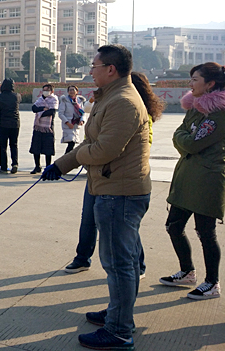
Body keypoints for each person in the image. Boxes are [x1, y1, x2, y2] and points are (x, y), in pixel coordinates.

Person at [42, 44, 150, 350]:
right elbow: (92, 142)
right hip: (113, 189)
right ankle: (118, 314)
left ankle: (119, 331)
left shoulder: (123, 102)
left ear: (111, 69)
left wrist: (72, 159)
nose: (91, 71)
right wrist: (60, 165)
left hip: (119, 194)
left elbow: (103, 150)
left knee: (119, 264)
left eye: (95, 66)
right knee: (123, 262)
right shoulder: (111, 97)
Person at [64, 72, 164, 277]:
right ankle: (82, 257)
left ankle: (137, 266)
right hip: (98, 174)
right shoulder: (109, 103)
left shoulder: (130, 108)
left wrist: (84, 154)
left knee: (123, 234)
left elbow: (107, 148)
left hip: (118, 180)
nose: (93, 74)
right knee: (89, 219)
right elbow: (93, 136)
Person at [160, 62, 224, 300]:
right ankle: (187, 271)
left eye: (195, 80)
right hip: (188, 175)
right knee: (174, 226)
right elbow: (181, 135)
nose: (190, 84)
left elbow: (193, 143)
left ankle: (212, 283)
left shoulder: (218, 113)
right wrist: (184, 137)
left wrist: (184, 138)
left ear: (210, 84)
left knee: (205, 232)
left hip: (208, 178)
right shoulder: (196, 107)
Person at [29, 84, 59, 174]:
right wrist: (43, 108)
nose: (45, 92)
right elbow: (34, 108)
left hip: (48, 127)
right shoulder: (40, 99)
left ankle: (47, 167)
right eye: (44, 90)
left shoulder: (54, 99)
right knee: (36, 147)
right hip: (38, 126)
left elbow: (51, 112)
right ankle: (37, 166)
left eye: (47, 90)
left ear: (52, 91)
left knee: (48, 149)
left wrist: (40, 113)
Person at [0, 78, 21, 174]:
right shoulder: (17, 96)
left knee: (3, 146)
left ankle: (4, 167)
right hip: (15, 123)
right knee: (14, 145)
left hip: (2, 124)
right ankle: (15, 164)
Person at [58, 85, 87, 154]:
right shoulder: (65, 100)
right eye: (70, 90)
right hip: (68, 124)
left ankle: (67, 158)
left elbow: (83, 112)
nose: (71, 91)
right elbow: (61, 113)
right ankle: (66, 158)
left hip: (76, 125)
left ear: (77, 91)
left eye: (73, 90)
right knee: (71, 142)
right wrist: (67, 123)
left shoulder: (79, 101)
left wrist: (82, 120)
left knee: (73, 142)